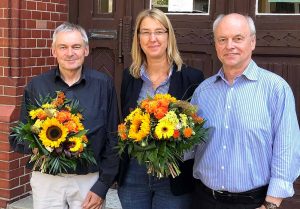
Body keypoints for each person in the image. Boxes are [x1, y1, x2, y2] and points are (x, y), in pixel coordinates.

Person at [189, 13, 300, 209]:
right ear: (216, 45)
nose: (229, 45)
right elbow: (191, 145)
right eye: (222, 39)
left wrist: (271, 204)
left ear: (253, 42)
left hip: (253, 203)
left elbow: (287, 149)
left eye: (238, 38)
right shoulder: (203, 92)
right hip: (204, 199)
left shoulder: (275, 89)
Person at [9, 22, 119, 209]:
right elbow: (18, 137)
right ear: (54, 51)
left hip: (88, 180)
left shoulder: (103, 85)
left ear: (86, 50)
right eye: (63, 47)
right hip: (47, 181)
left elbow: (113, 136)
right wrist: (40, 143)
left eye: (76, 47)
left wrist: (103, 185)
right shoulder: (36, 86)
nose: (70, 53)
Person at [117, 8, 204, 209]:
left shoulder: (192, 78)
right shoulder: (130, 77)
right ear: (138, 38)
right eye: (145, 32)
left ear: (168, 36)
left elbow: (197, 131)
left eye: (159, 31)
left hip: (174, 176)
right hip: (134, 176)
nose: (152, 38)